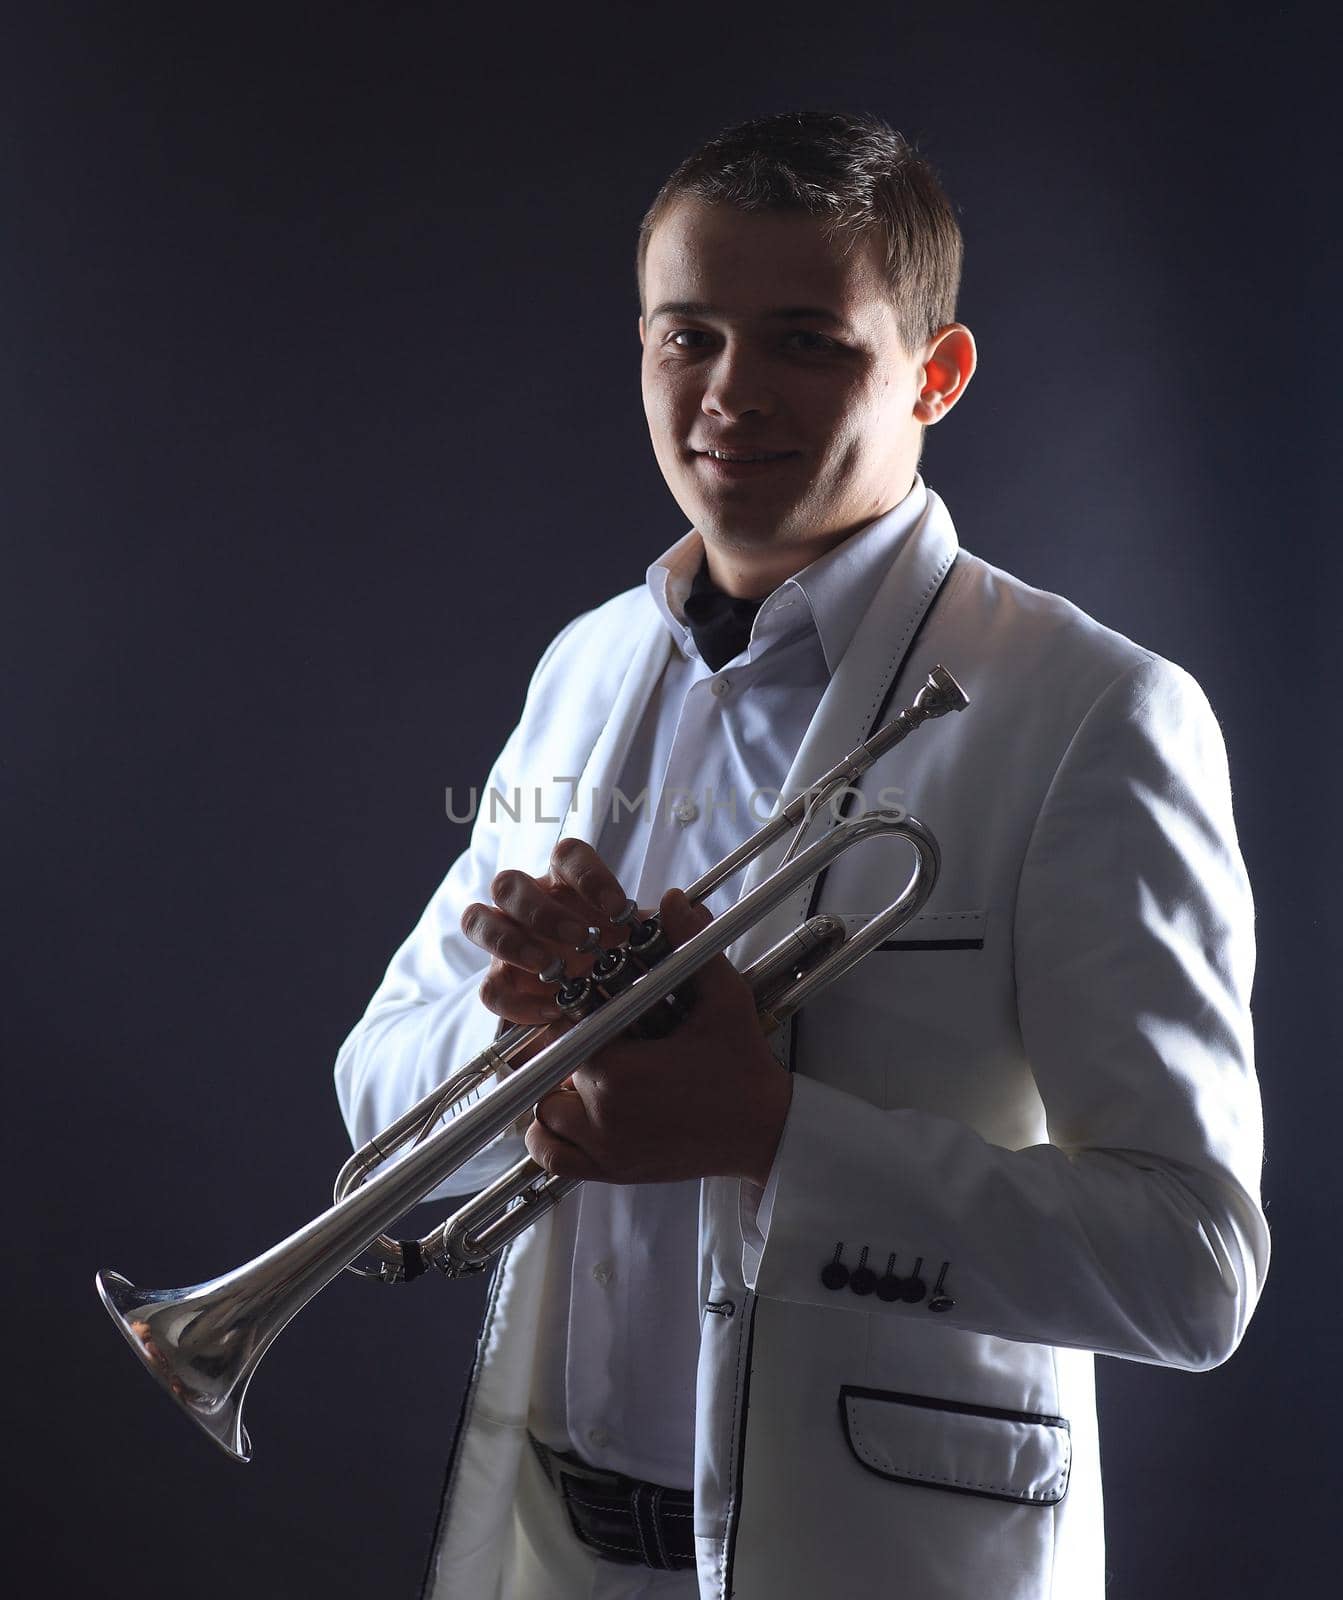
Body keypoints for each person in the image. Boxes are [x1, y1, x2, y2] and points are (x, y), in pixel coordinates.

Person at [334, 110, 1269, 1600]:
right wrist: (534, 1042)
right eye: (684, 335)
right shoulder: (583, 666)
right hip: (549, 1554)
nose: (727, 395)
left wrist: (766, 1133)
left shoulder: (1097, 715)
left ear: (935, 376)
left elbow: (1191, 1266)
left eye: (807, 343)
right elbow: (374, 1079)